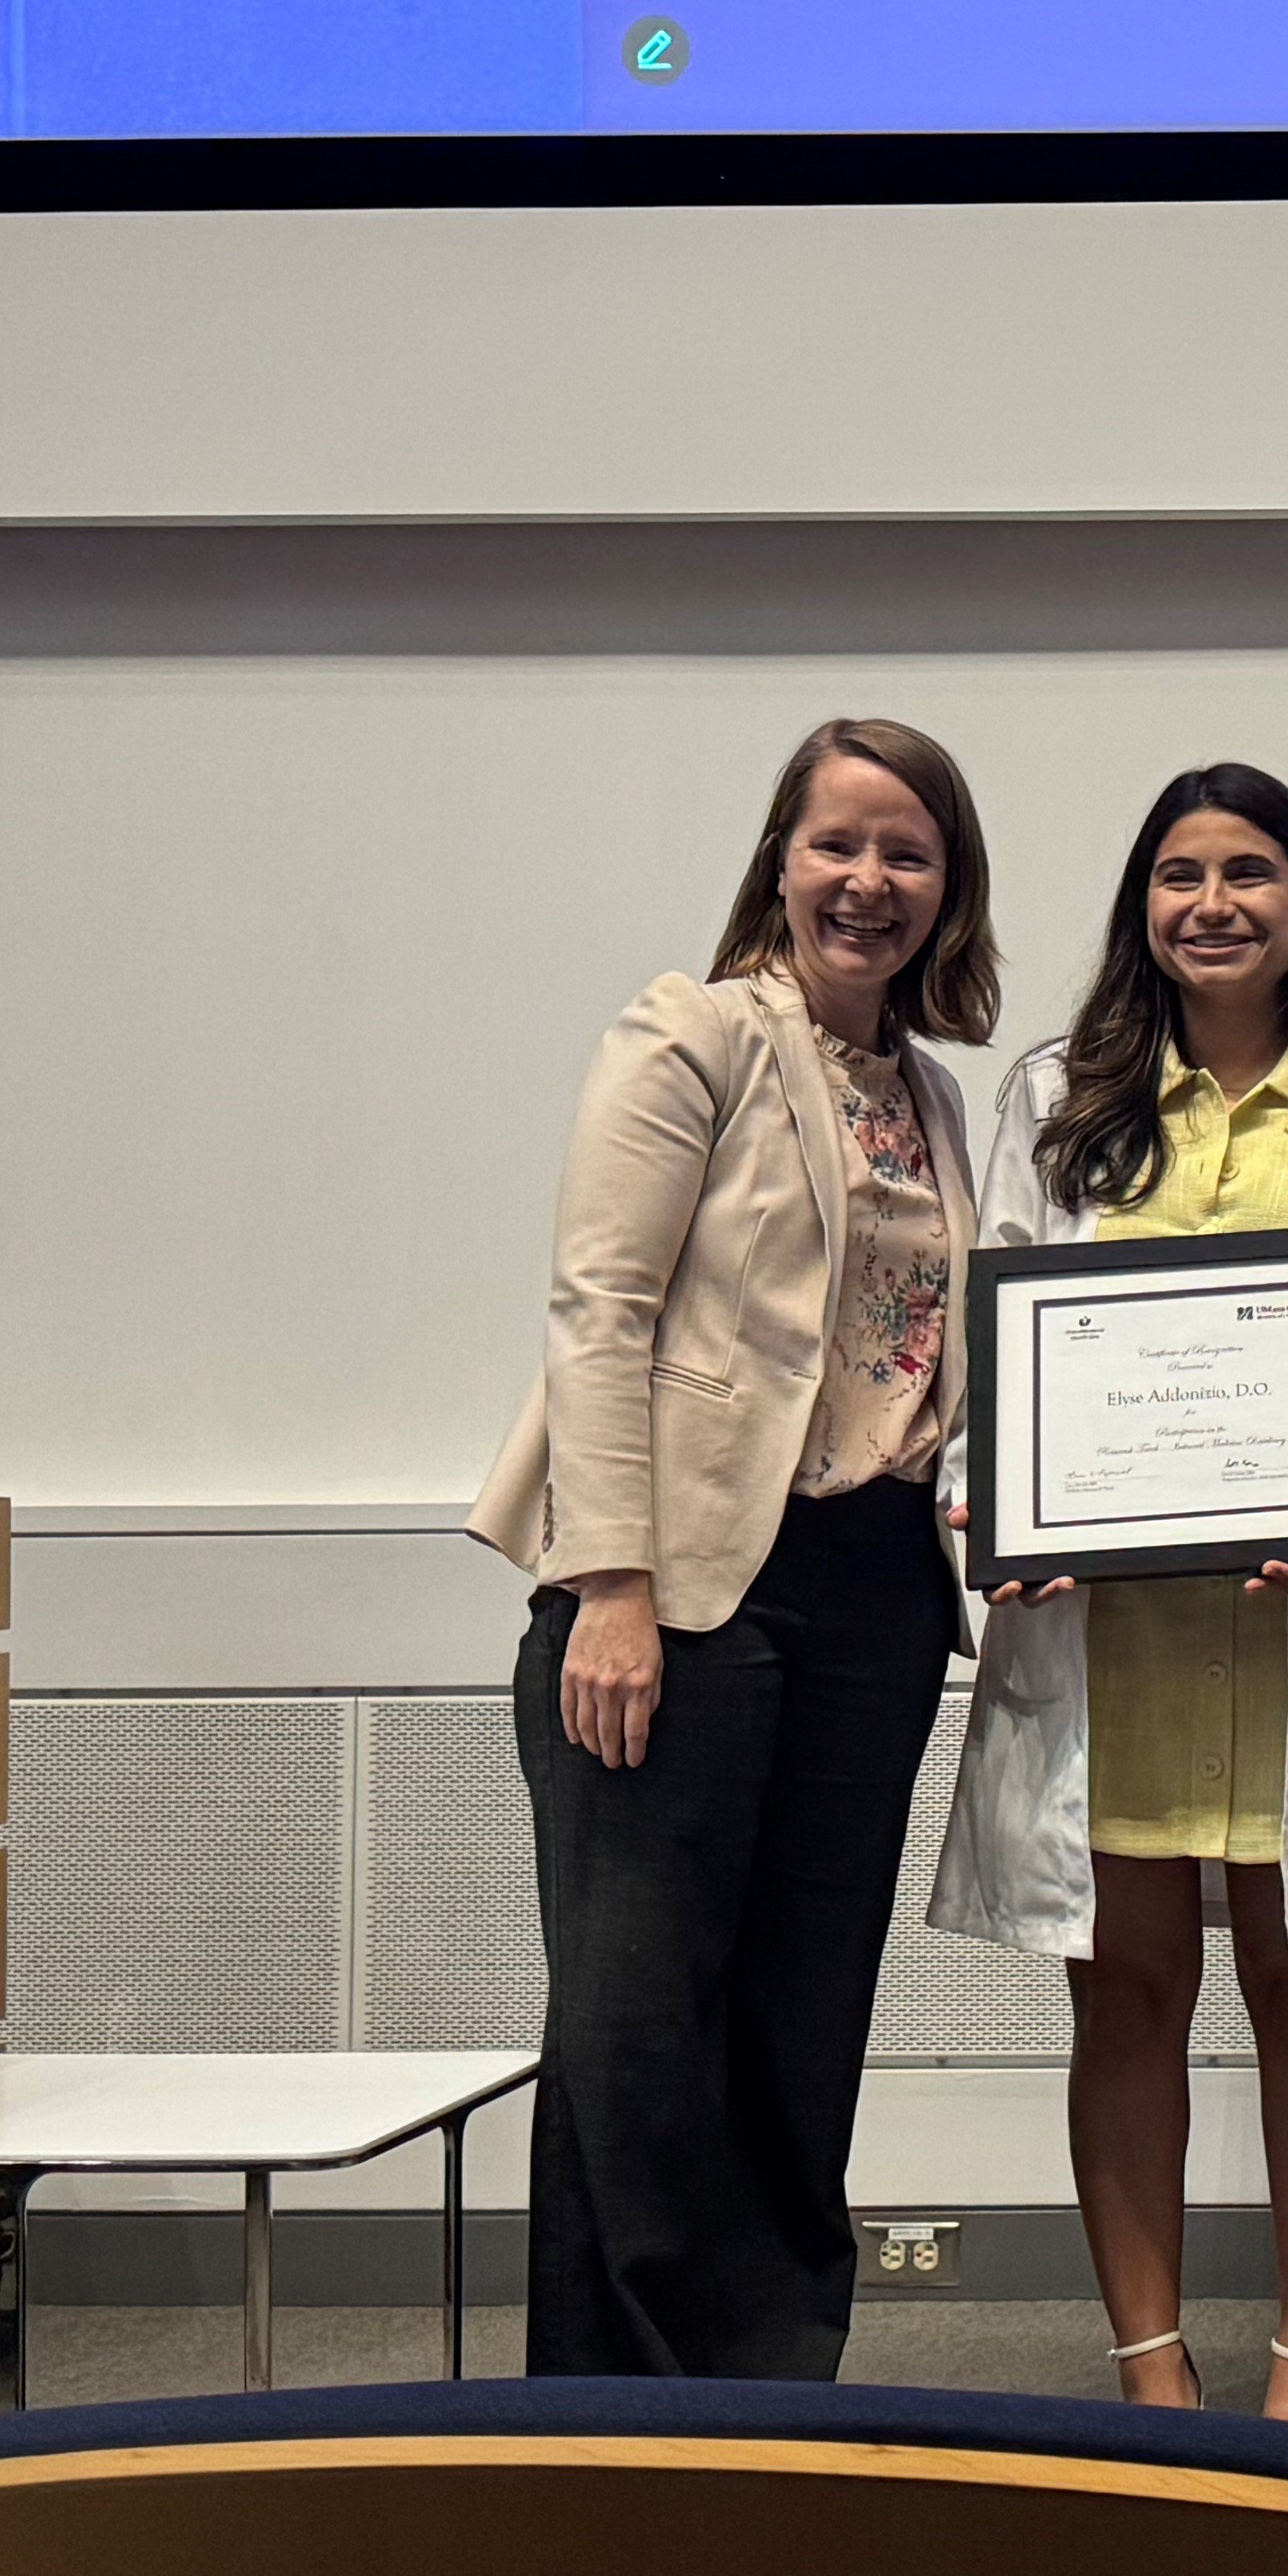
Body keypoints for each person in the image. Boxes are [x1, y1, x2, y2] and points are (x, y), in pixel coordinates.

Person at [468, 717, 996, 2377]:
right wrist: (608, 1583)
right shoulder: (690, 1033)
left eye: (909, 854)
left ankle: (769, 2394)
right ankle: (616, 2426)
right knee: (635, 2028)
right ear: (781, 857)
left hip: (876, 1594)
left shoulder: (933, 1095)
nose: (870, 881)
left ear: (947, 892)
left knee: (801, 2015)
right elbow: (601, 1307)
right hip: (683, 1588)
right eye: (839, 843)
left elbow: (919, 1359)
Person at [929, 765, 1288, 2432]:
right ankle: (1149, 2365)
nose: (1213, 902)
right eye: (1180, 874)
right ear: (1141, 904)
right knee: (1127, 1992)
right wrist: (1004, 1503)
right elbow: (996, 1329)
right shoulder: (1060, 1098)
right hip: (1113, 1631)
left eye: (1252, 873)